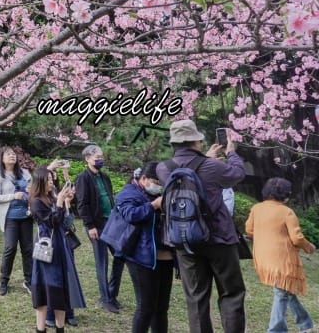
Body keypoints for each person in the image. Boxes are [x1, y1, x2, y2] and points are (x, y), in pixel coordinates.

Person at [156, 119, 247, 333]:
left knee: (196, 298)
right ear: (196, 141)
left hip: (184, 240)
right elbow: (236, 174)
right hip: (219, 239)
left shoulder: (163, 168)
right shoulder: (213, 166)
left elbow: (190, 172)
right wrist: (231, 152)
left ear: (174, 143)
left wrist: (206, 157)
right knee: (231, 294)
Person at [246, 177, 316, 333]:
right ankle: (275, 330)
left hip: (263, 258)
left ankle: (306, 324)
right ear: (285, 195)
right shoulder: (287, 212)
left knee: (285, 291)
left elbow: (249, 230)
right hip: (282, 260)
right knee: (281, 292)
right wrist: (308, 247)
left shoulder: (257, 208)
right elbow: (297, 238)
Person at [115, 162, 175, 333]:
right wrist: (153, 206)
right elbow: (130, 215)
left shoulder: (160, 194)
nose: (159, 186)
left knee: (161, 308)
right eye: (157, 182)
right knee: (146, 307)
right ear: (143, 178)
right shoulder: (128, 193)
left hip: (165, 257)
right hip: (141, 256)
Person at [29, 166, 86, 333]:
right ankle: (41, 328)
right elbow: (52, 222)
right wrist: (60, 201)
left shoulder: (51, 198)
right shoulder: (36, 202)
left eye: (51, 179)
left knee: (60, 289)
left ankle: (60, 328)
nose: (51, 182)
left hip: (60, 247)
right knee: (44, 292)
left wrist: (65, 201)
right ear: (39, 182)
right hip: (46, 249)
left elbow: (63, 221)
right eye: (48, 180)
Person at [74, 143, 124, 314]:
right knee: (101, 262)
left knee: (120, 255)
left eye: (101, 157)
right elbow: (82, 204)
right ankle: (105, 299)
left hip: (111, 224)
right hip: (97, 226)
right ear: (87, 159)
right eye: (97, 157)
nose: (100, 159)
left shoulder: (105, 177)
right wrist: (90, 226)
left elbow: (110, 198)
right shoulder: (83, 178)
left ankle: (111, 293)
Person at [0, 146, 34, 295]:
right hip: (10, 218)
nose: (12, 156)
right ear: (2, 158)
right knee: (10, 249)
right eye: (8, 154)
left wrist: (30, 191)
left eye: (13, 154)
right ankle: (3, 281)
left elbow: (34, 190)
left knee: (28, 250)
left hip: (26, 216)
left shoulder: (25, 173)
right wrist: (12, 196)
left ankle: (29, 281)